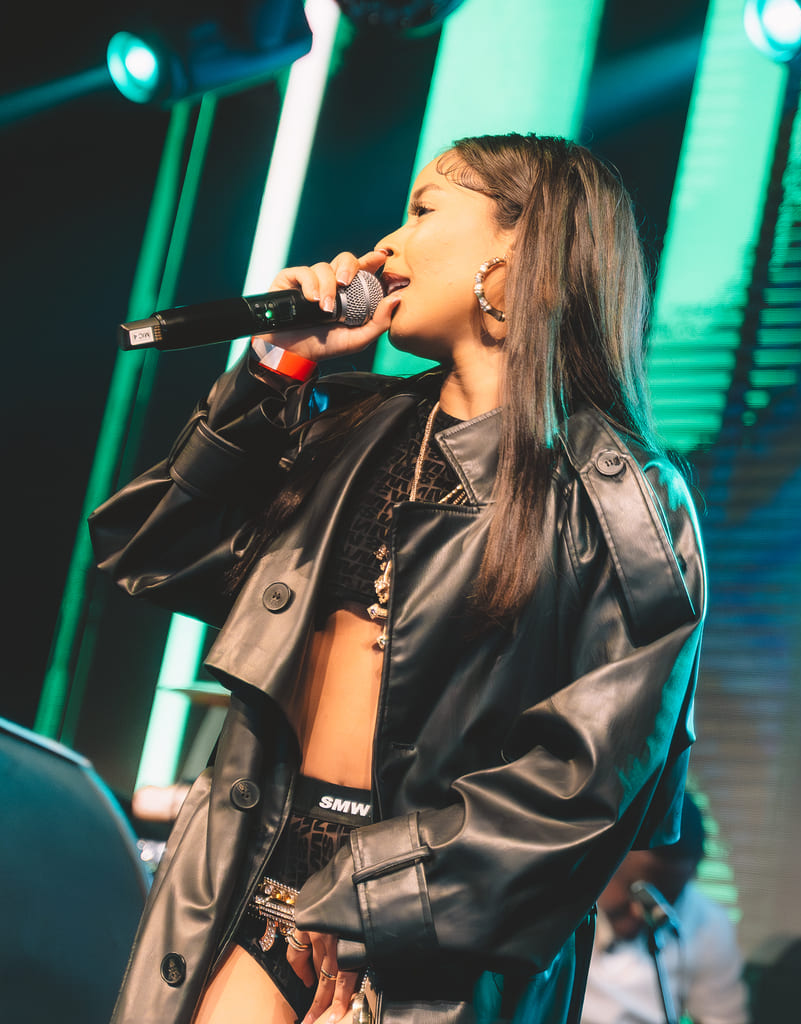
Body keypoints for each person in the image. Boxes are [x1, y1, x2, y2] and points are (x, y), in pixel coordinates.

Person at [89, 133, 706, 1024]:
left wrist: (377, 899)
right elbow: (150, 551)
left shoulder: (621, 498)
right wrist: (277, 367)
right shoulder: (346, 429)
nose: (385, 245)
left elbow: (590, 781)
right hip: (260, 877)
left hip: (430, 929)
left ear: (517, 247)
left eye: (422, 211)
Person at [578, 794, 748, 1024]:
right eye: (635, 890)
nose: (640, 912)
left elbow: (723, 1018)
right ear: (605, 860)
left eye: (668, 898)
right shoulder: (559, 904)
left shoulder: (709, 924)